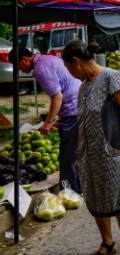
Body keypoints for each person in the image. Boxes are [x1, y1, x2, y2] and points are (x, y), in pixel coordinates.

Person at [61, 40, 120, 255]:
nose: (69, 72)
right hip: (89, 154)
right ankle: (108, 243)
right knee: (96, 199)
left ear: (76, 61)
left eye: (68, 67)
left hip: (112, 150)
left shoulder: (110, 77)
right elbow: (82, 121)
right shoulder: (84, 85)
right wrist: (79, 154)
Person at [9, 46, 82, 194]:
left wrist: (48, 122)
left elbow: (57, 96)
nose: (19, 70)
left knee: (67, 155)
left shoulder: (40, 68)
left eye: (17, 65)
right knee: (75, 151)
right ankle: (79, 187)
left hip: (73, 108)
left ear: (24, 59)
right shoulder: (48, 59)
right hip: (79, 104)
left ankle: (69, 192)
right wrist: (59, 114)